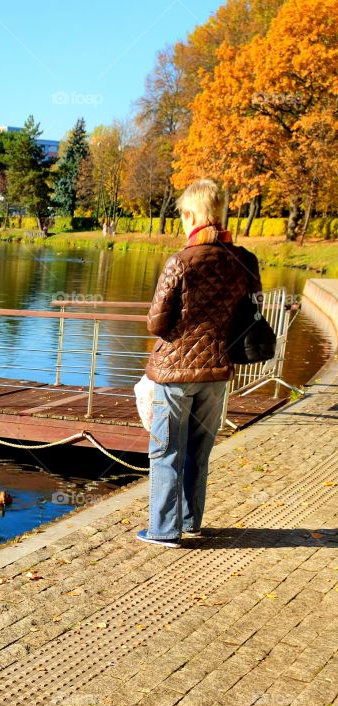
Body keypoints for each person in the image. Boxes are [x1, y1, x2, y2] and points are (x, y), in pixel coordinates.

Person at [137, 178, 261, 547]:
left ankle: (163, 530)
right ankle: (191, 522)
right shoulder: (246, 260)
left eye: (182, 216)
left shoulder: (181, 261)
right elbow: (249, 312)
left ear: (191, 215)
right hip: (218, 369)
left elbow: (157, 322)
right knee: (198, 451)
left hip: (175, 371)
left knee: (166, 452)